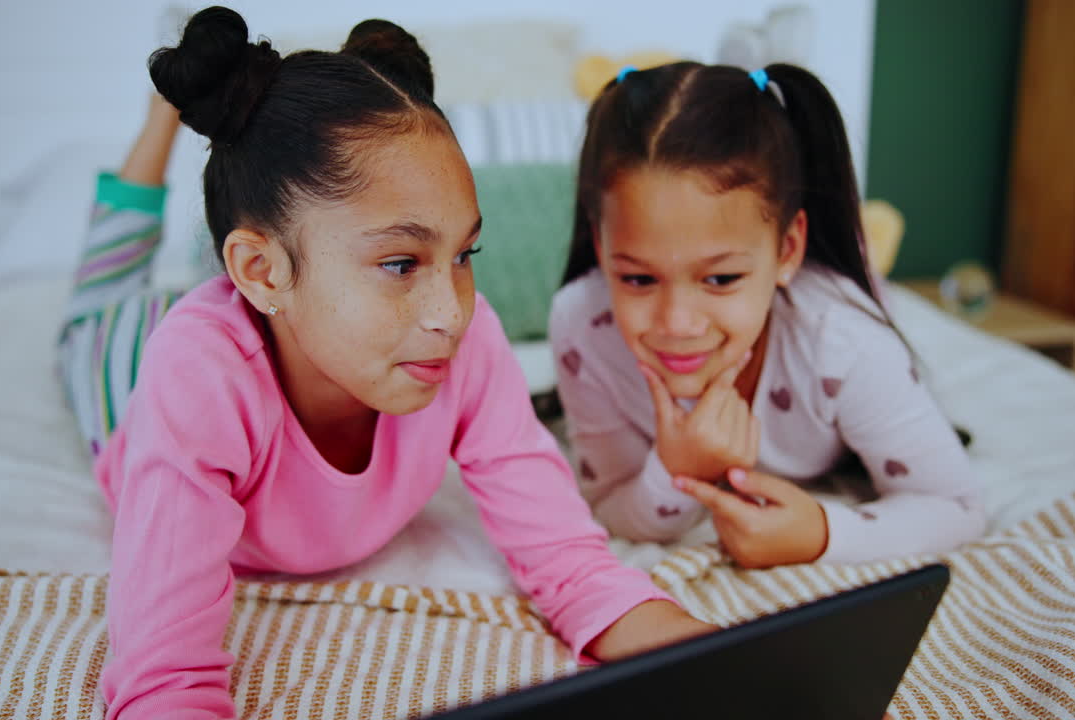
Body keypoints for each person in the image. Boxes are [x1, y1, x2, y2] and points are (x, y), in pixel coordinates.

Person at [58, 10, 713, 718]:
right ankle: (163, 114)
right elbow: (163, 676)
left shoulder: (463, 342)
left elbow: (572, 564)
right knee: (102, 290)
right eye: (401, 263)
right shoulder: (194, 377)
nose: (451, 312)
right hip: (124, 359)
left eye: (464, 256)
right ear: (261, 270)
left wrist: (722, 662)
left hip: (267, 311)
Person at [550, 62, 984, 569]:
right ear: (601, 249)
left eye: (720, 279)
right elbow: (608, 506)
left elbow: (958, 506)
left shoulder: (841, 339)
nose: (678, 323)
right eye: (639, 279)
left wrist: (822, 533)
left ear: (787, 250)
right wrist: (676, 471)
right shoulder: (584, 326)